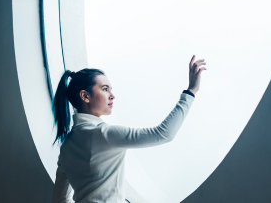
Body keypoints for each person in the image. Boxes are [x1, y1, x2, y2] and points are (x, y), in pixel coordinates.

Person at [51, 55, 207, 203]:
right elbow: (163, 134)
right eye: (105, 89)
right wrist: (190, 92)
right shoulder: (104, 134)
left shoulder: (66, 147)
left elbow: (60, 200)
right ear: (85, 96)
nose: (112, 96)